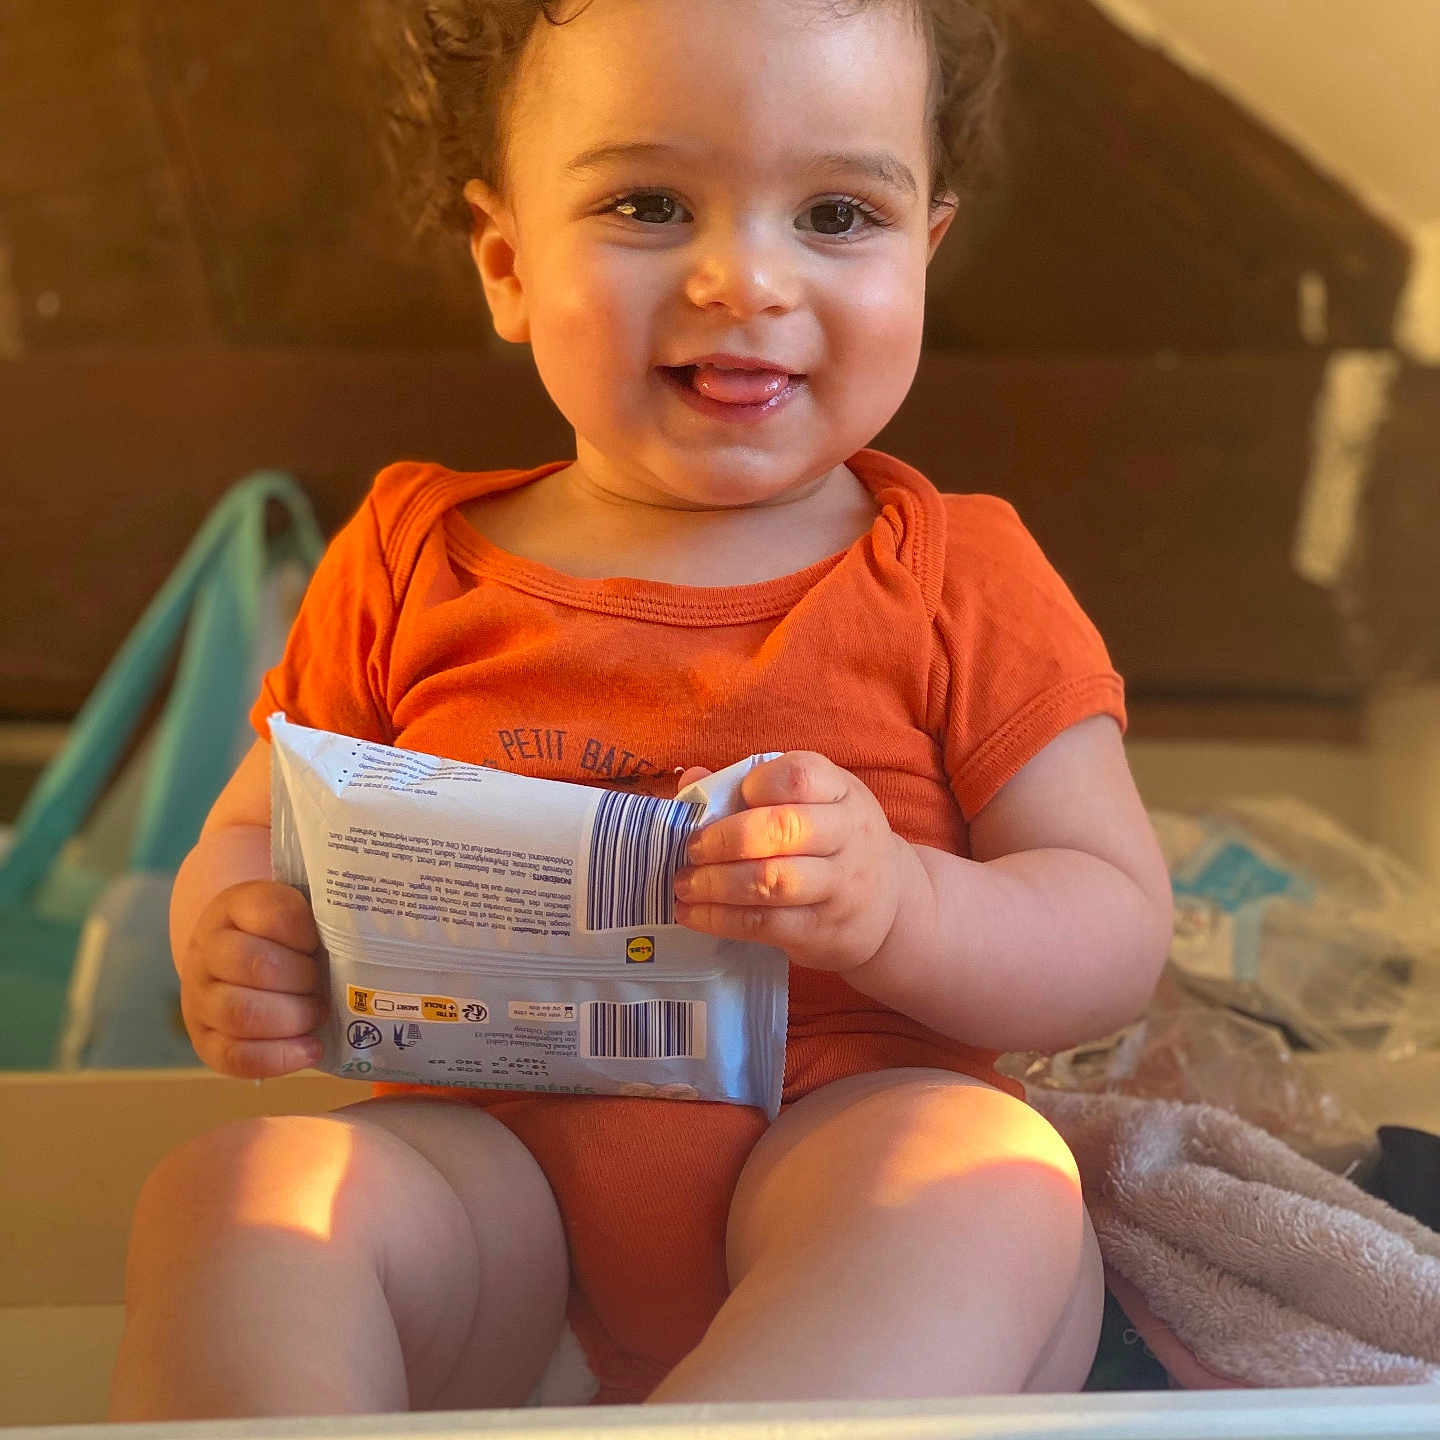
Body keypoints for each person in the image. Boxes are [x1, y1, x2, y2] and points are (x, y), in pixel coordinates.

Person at [109, 0, 1174, 1418]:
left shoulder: (956, 574)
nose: (745, 278)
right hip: (493, 1208)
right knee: (244, 1192)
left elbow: (1112, 926)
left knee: (981, 1183)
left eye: (838, 213)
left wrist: (906, 906)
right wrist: (232, 932)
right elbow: (256, 839)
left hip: (835, 1158)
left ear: (924, 253)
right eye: (651, 203)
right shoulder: (406, 557)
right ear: (505, 261)